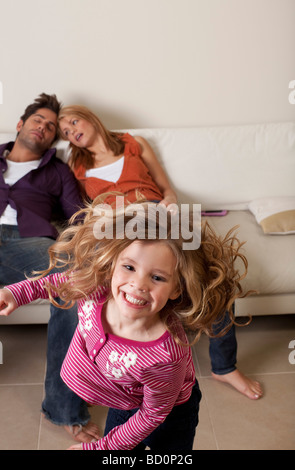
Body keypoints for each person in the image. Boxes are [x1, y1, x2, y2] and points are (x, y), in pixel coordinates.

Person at [0, 198, 250, 450]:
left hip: (170, 414)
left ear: (176, 289)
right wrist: (15, 294)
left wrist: (100, 448)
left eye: (157, 277)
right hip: (124, 401)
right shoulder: (93, 289)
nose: (139, 285)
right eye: (129, 267)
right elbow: (54, 283)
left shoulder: (164, 355)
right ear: (111, 266)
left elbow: (152, 415)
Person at [58, 105, 262, 400]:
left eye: (73, 122)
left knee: (214, 273)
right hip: (117, 226)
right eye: (65, 132)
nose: (71, 131)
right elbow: (85, 212)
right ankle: (101, 375)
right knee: (92, 275)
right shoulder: (76, 166)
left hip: (157, 214)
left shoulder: (133, 143)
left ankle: (224, 366)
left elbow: (168, 190)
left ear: (90, 118)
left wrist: (169, 205)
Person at [0, 93, 100, 442]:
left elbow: (80, 218)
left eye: (51, 126)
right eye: (37, 120)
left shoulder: (57, 172)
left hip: (29, 244)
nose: (43, 127)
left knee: (74, 283)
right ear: (20, 125)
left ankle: (63, 408)